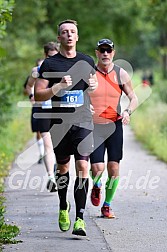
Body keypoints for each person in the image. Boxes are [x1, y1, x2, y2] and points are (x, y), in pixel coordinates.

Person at [34, 19, 97, 236]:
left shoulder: (87, 61)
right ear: (59, 37)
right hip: (59, 124)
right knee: (63, 169)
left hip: (83, 123)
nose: (69, 35)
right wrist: (58, 87)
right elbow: (37, 94)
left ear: (77, 37)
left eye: (73, 32)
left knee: (83, 167)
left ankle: (80, 218)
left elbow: (91, 88)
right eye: (64, 32)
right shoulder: (50, 64)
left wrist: (94, 89)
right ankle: (63, 206)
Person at [89, 39, 138, 218]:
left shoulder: (121, 74)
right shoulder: (89, 74)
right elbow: (79, 95)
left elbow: (134, 98)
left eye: (108, 51)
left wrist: (127, 112)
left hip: (114, 124)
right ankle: (96, 185)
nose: (105, 54)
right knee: (97, 168)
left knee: (114, 167)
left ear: (113, 53)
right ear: (97, 53)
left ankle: (107, 205)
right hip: (93, 125)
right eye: (102, 50)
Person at [26, 42, 59, 192]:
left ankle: (58, 168)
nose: (53, 59)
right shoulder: (37, 70)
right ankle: (51, 177)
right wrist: (32, 95)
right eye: (50, 56)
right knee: (48, 145)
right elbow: (29, 85)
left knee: (61, 146)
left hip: (60, 110)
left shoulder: (63, 68)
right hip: (44, 110)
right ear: (45, 55)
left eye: (55, 56)